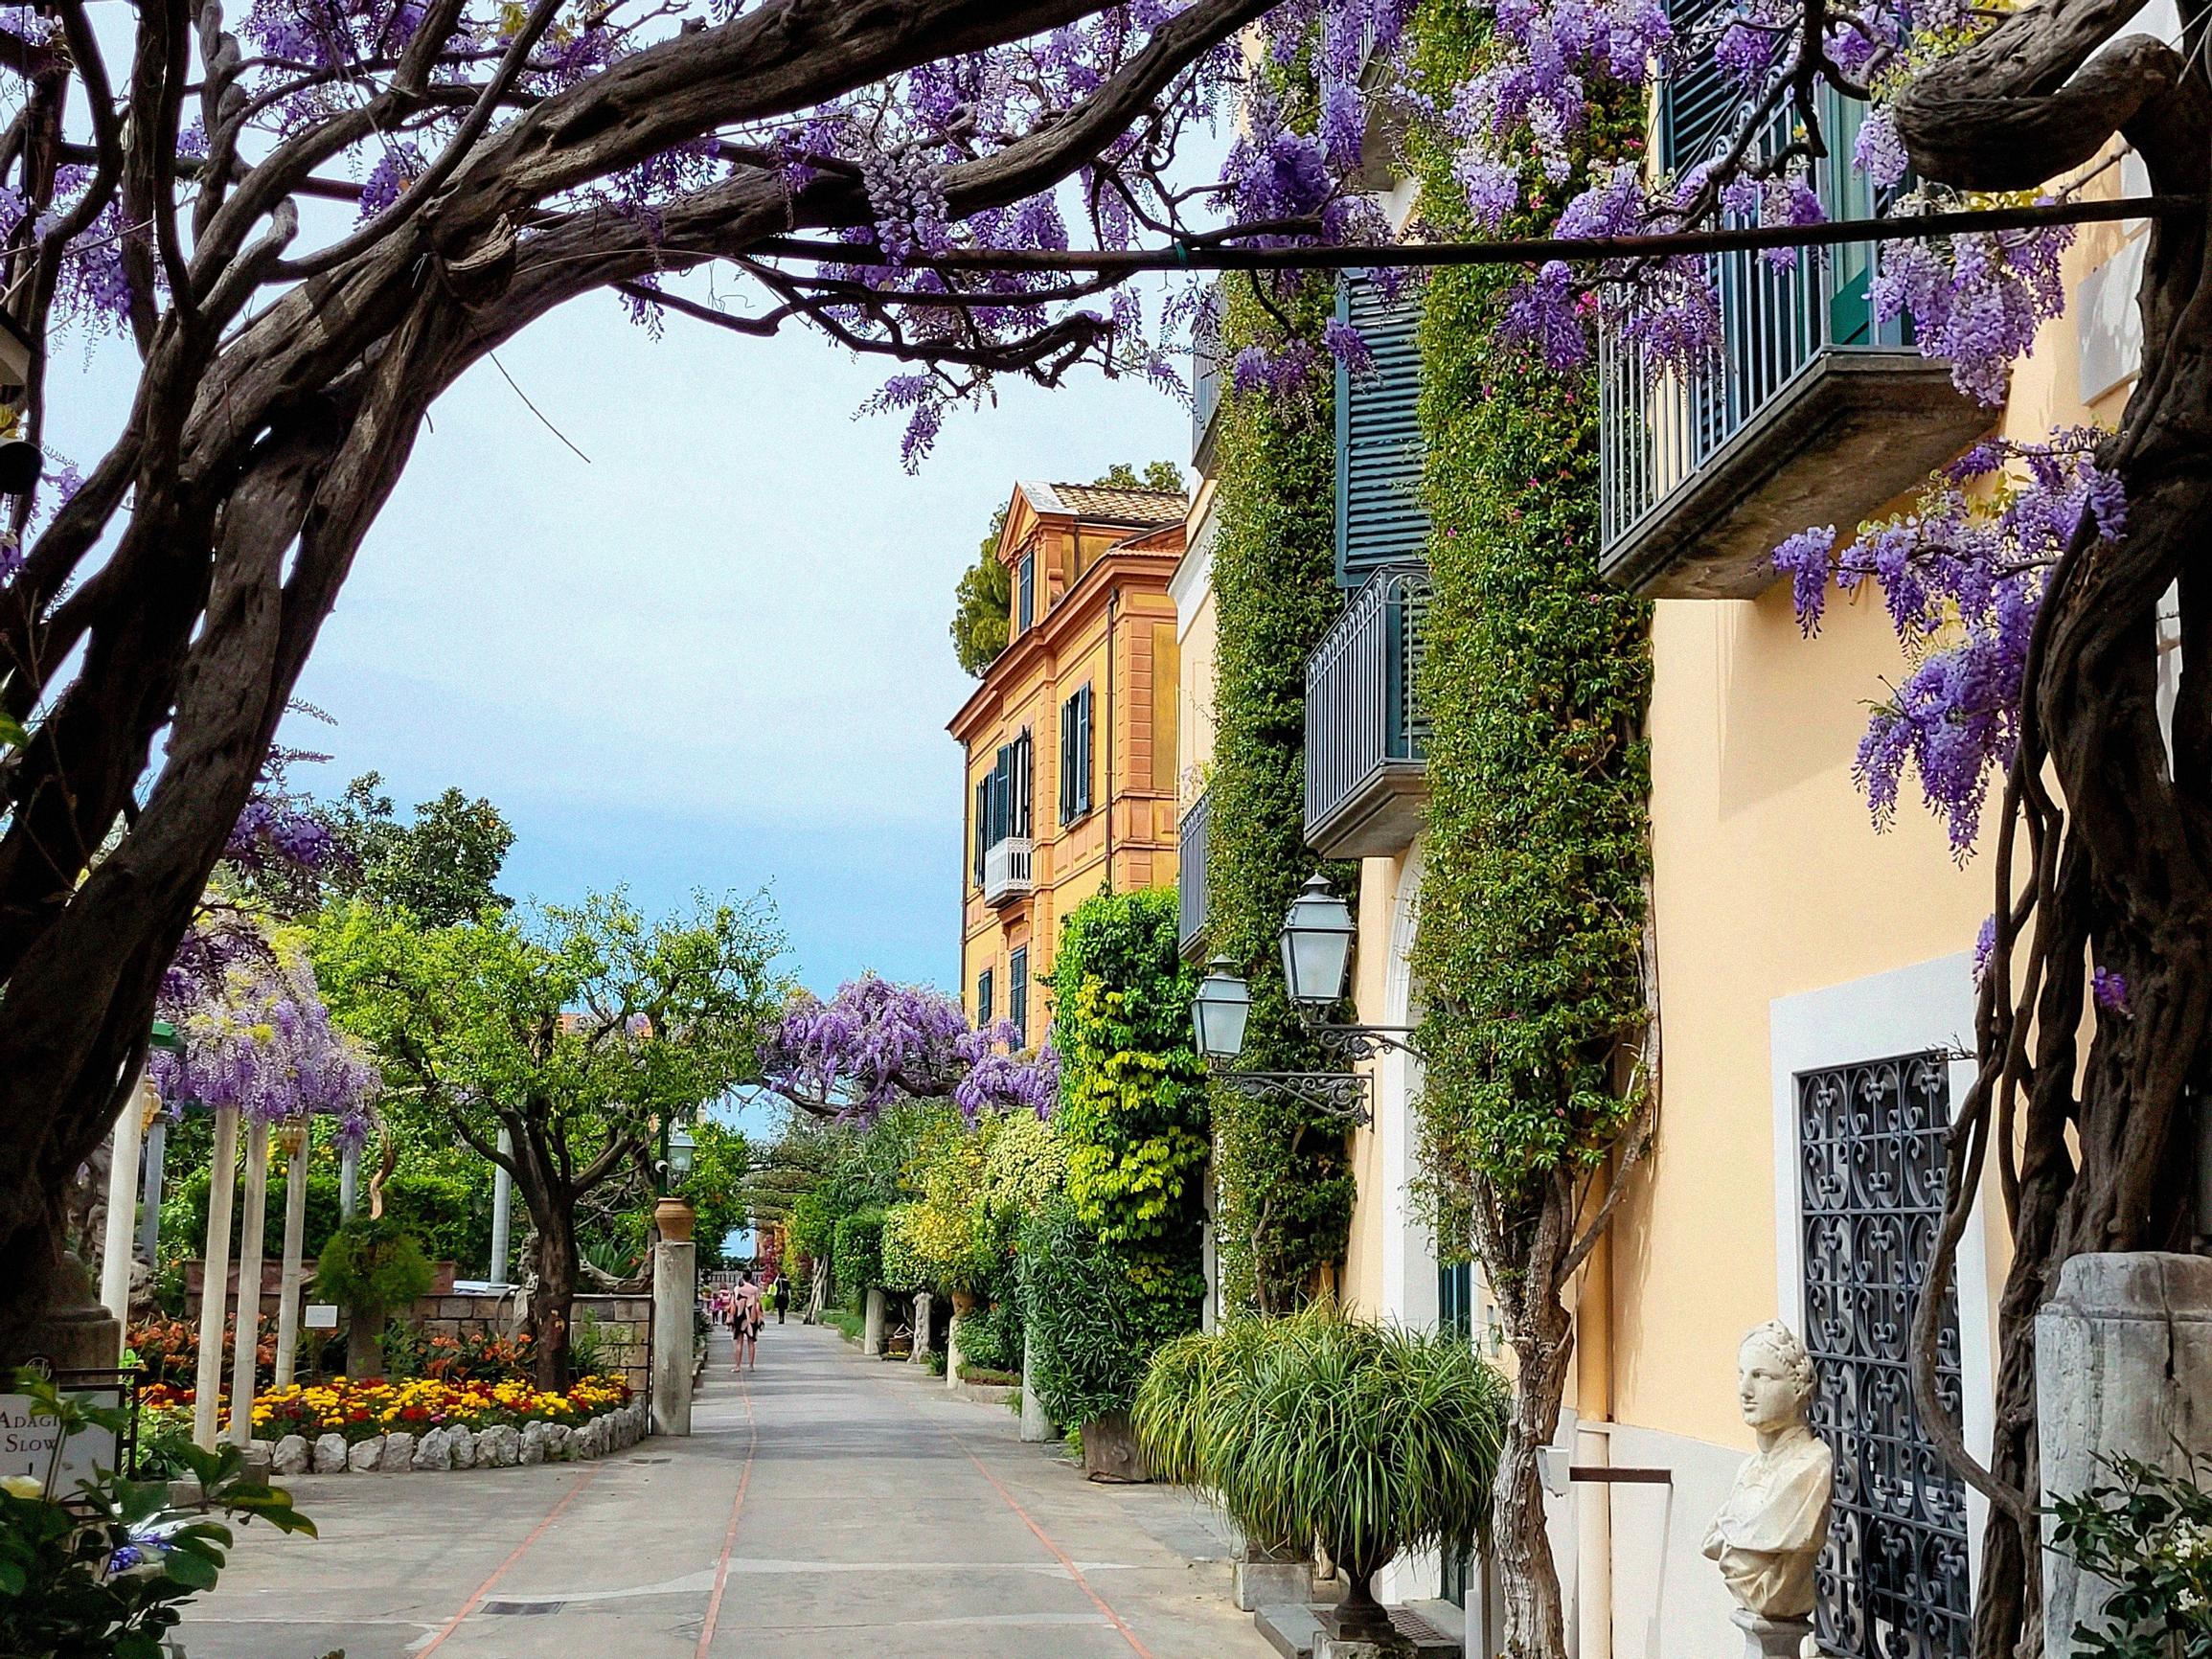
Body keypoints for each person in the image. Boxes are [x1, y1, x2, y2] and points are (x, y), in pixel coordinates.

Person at [732, 1271, 764, 1372]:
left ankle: (737, 1366)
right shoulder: (754, 1289)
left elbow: (733, 1302)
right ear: (751, 1278)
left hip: (739, 1315)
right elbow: (758, 1301)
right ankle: (751, 1365)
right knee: (751, 1342)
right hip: (751, 1315)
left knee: (739, 1342)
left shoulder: (737, 1288)